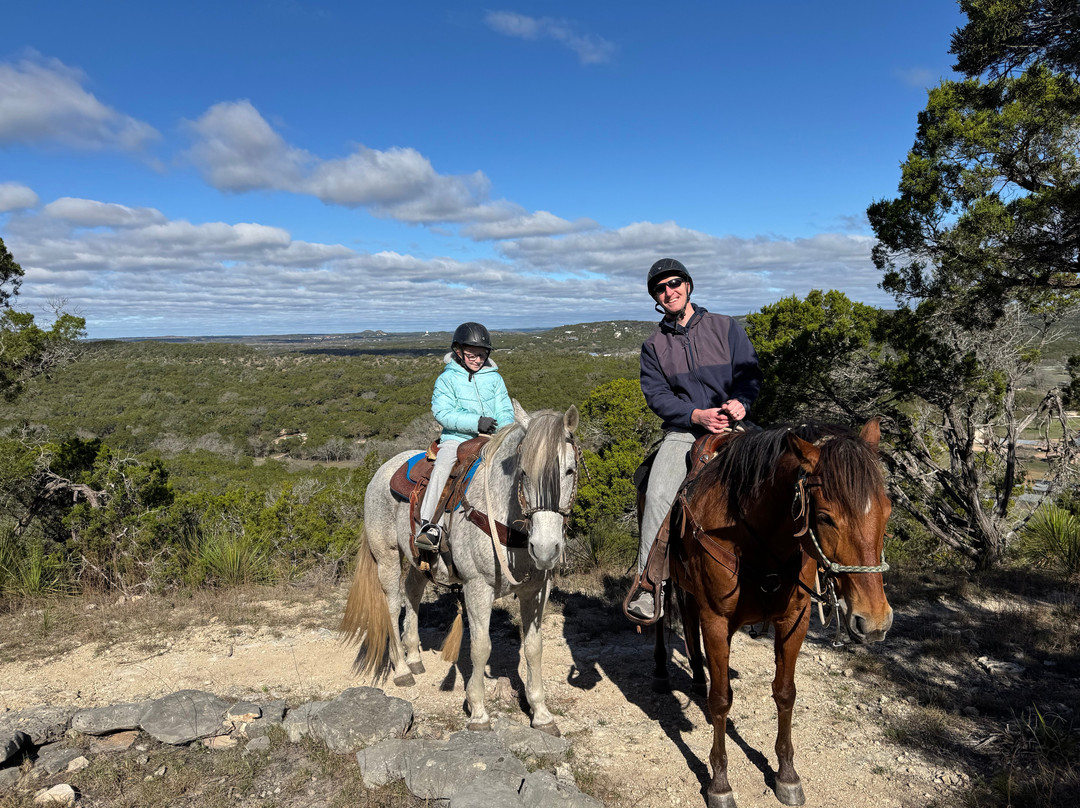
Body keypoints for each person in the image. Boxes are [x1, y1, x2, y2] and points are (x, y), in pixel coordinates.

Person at [627, 258, 763, 620]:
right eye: (660, 288)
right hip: (685, 431)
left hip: (734, 424)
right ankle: (649, 585)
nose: (668, 291)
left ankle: (794, 577)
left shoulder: (725, 326)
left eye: (674, 283)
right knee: (656, 494)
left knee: (786, 472)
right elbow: (656, 395)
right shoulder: (654, 345)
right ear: (655, 296)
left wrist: (741, 402)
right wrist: (694, 415)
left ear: (688, 286)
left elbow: (749, 372)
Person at [415, 322, 516, 552]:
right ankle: (429, 526)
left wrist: (506, 433)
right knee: (443, 467)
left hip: (492, 439)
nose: (478, 360)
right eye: (472, 355)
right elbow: (443, 412)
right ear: (458, 352)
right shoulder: (446, 379)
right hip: (457, 438)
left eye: (482, 355)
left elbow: (505, 411)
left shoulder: (495, 379)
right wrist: (475, 422)